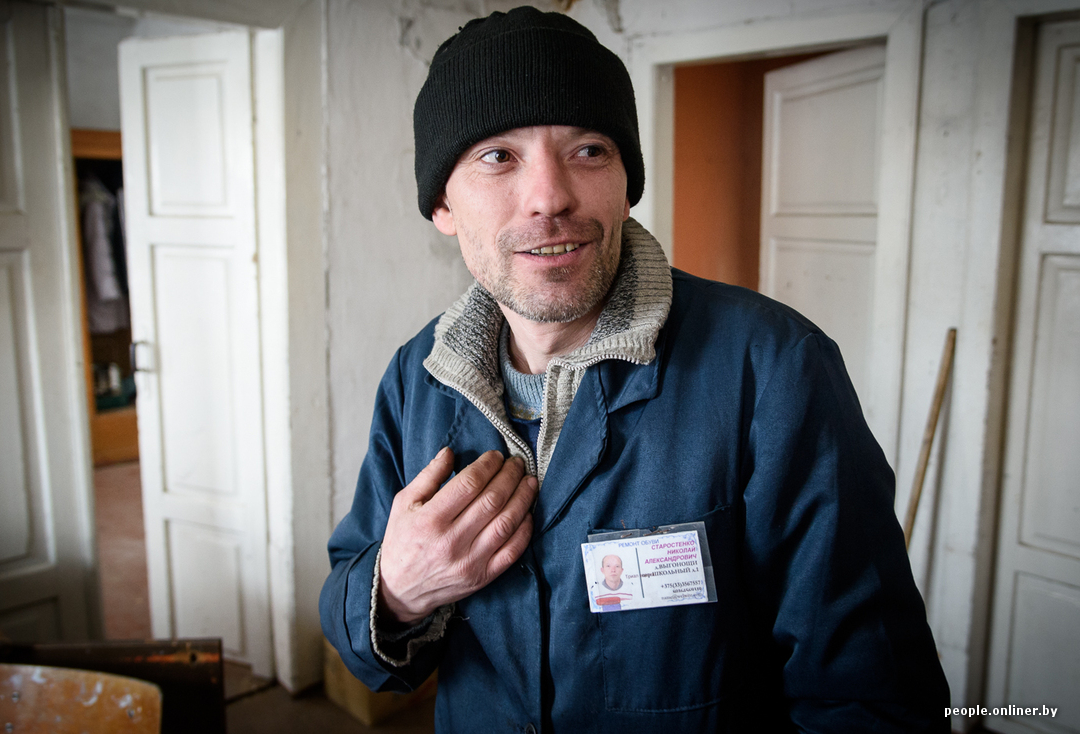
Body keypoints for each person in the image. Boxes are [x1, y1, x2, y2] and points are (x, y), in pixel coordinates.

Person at [320, 7, 950, 732]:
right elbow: (355, 625)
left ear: (626, 185)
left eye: (589, 150)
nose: (550, 196)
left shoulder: (773, 371)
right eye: (498, 157)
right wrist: (396, 590)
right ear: (442, 204)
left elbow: (871, 696)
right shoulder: (418, 379)